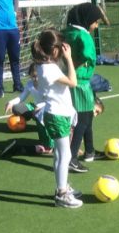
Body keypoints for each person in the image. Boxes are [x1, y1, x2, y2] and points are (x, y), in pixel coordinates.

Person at [31, 28, 82, 208]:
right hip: (58, 115)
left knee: (60, 154)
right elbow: (73, 82)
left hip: (57, 114)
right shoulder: (50, 69)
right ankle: (61, 194)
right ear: (55, 51)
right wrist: (69, 59)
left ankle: (63, 187)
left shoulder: (42, 66)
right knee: (64, 154)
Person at [62, 3, 105, 173]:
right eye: (96, 22)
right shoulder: (83, 35)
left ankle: (90, 151)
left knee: (87, 116)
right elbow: (87, 55)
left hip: (75, 80)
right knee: (83, 119)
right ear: (88, 20)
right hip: (80, 82)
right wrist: (73, 66)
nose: (97, 25)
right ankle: (72, 157)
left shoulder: (68, 31)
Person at [1, 63, 54, 158]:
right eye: (33, 76)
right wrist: (11, 102)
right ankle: (34, 121)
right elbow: (22, 97)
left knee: (41, 115)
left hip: (49, 108)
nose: (36, 79)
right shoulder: (29, 84)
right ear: (30, 75)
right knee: (16, 108)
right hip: (36, 107)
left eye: (38, 76)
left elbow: (51, 100)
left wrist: (40, 107)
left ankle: (51, 144)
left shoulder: (47, 84)